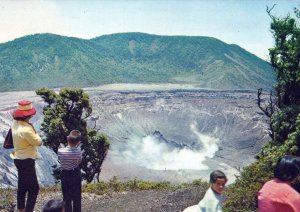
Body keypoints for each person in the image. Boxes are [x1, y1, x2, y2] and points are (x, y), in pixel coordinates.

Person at [12, 100, 42, 212]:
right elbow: (38, 142)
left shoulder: (15, 124)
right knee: (34, 188)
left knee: (22, 186)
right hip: (27, 160)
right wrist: (34, 131)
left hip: (18, 158)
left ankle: (21, 209)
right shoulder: (27, 130)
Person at [58, 130, 82, 212]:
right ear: (78, 142)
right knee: (77, 198)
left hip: (64, 174)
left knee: (66, 198)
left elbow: (60, 159)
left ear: (67, 138)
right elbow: (79, 162)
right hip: (75, 174)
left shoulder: (60, 151)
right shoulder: (78, 152)